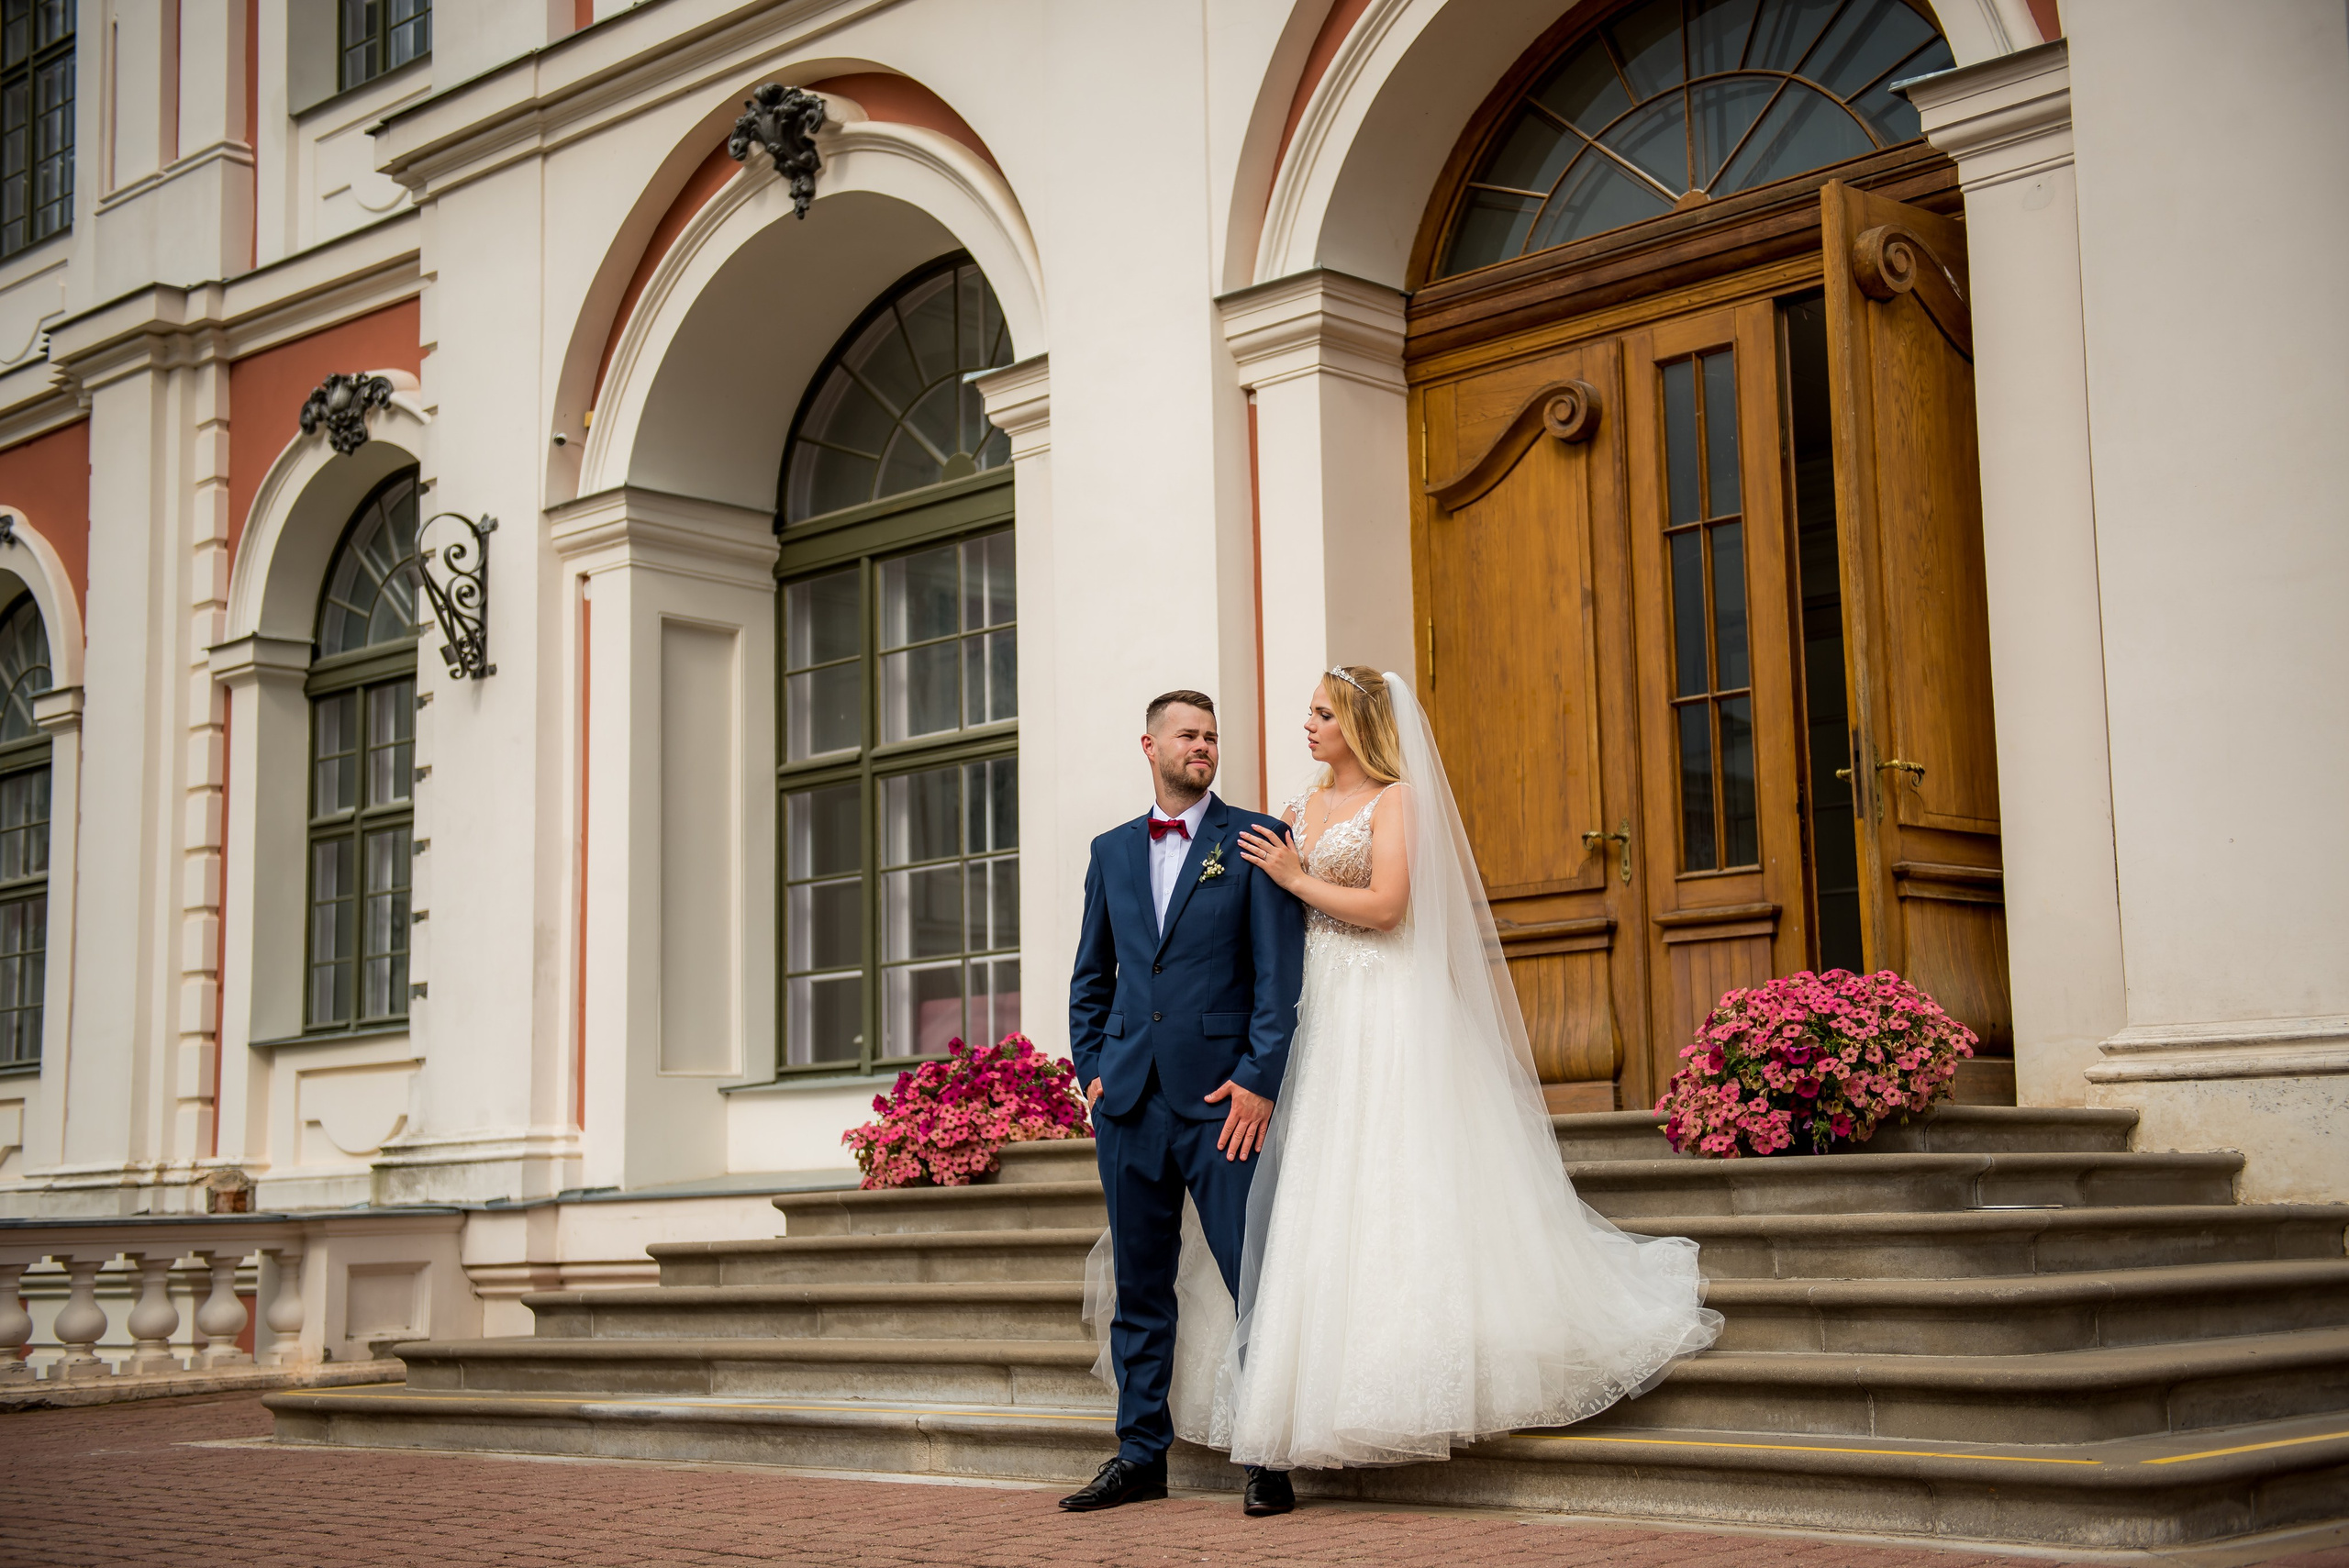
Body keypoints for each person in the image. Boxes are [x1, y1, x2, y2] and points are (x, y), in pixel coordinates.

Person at [1121, 666, 1721, 1482]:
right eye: (1308, 712)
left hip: (1378, 997)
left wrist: (1298, 878)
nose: (1308, 725)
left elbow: (1390, 904)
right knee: (1311, 1189)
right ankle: (1298, 1385)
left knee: (1392, 1175)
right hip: (1310, 1008)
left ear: (1359, 725)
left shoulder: (1394, 800)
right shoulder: (1294, 807)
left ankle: (1396, 1372)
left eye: (1323, 714)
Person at [1059, 690, 1306, 1517]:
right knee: (1141, 1284)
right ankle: (1139, 1454)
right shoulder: (1111, 850)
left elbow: (1279, 978)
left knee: (1252, 1278)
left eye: (1211, 735)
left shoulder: (1255, 840)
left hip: (1223, 1101)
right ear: (1150, 745)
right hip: (1128, 1100)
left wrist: (1260, 1077)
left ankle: (1267, 1454)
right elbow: (1092, 975)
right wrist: (1092, 1067)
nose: (1203, 746)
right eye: (1188, 735)